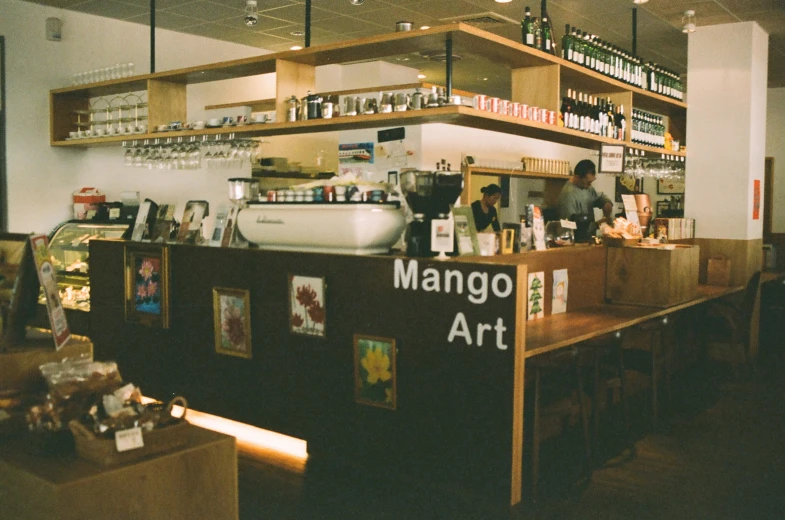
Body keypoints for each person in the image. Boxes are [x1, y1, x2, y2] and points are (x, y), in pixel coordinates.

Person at [557, 159, 613, 236]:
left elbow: (598, 198)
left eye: (591, 182)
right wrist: (597, 224)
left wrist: (606, 203)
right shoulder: (568, 195)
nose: (589, 186)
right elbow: (569, 226)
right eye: (587, 182)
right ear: (577, 177)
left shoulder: (587, 187)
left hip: (589, 239)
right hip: (576, 242)